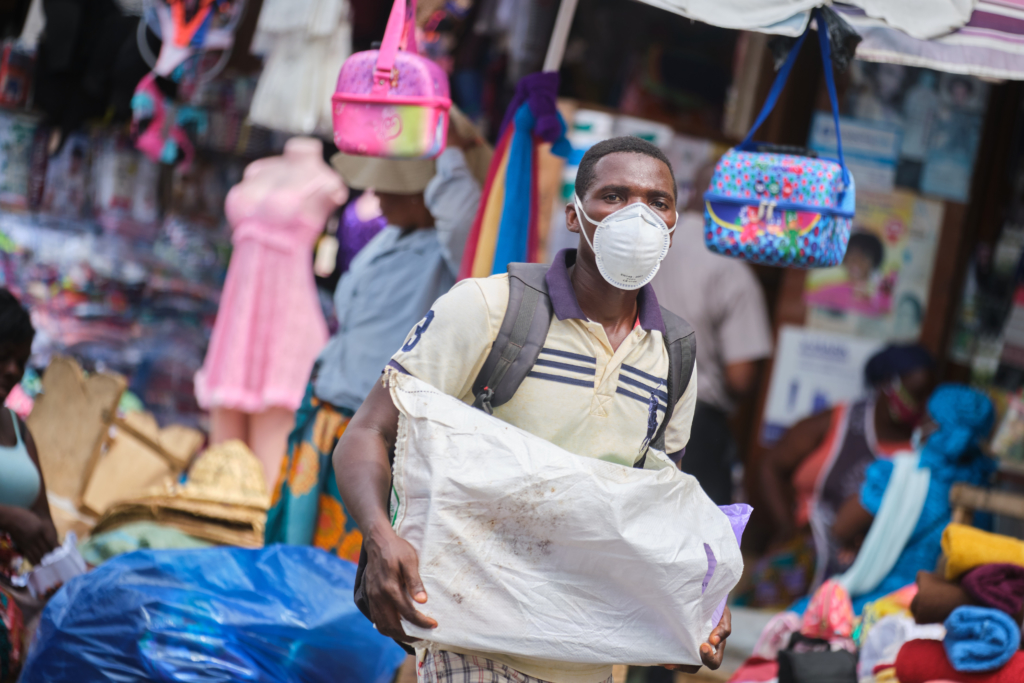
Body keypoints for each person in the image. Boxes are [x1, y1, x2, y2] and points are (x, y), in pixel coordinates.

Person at [335, 136, 732, 683]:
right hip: (469, 636)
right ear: (574, 215)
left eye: (656, 202)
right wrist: (381, 535)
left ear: (673, 222)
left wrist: (700, 596)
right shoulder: (489, 308)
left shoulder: (673, 355)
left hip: (587, 654)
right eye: (613, 196)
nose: (636, 216)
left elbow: (659, 508)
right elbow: (367, 433)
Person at [264, 124, 481, 562]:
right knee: (296, 557)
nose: (378, 196)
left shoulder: (448, 257)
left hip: (368, 429)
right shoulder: (388, 237)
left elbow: (461, 218)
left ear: (426, 195)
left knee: (344, 563)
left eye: (390, 188)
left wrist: (452, 153)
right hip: (327, 413)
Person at [747, 344, 934, 608]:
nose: (923, 406)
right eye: (916, 394)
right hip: (805, 554)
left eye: (928, 397)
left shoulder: (920, 450)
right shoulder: (841, 421)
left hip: (866, 570)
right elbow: (771, 465)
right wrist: (786, 528)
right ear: (888, 386)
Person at [651, 158, 772, 504]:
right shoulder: (731, 271)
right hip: (693, 425)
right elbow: (741, 377)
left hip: (625, 397)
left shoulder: (651, 242)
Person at [832, 384, 996, 612]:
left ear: (936, 426)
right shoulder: (982, 489)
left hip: (879, 604)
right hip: (938, 608)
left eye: (927, 416)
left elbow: (841, 527)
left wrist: (858, 538)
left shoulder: (900, 474)